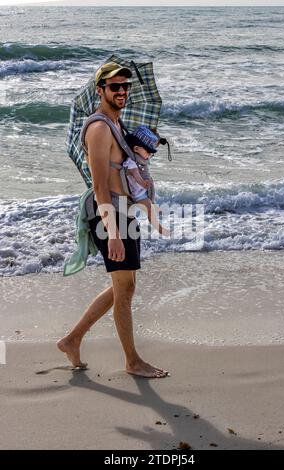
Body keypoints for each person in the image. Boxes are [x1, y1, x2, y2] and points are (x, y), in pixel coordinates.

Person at [57, 62, 169, 378]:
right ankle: (132, 361)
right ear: (100, 90)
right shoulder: (99, 129)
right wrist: (113, 231)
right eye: (114, 87)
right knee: (123, 287)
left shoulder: (117, 125)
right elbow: (99, 185)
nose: (121, 91)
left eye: (125, 86)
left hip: (123, 211)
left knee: (126, 285)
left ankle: (72, 339)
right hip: (109, 213)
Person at [123, 126, 170, 237]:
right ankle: (159, 228)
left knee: (150, 203)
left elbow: (149, 147)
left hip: (141, 191)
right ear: (136, 149)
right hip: (137, 194)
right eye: (148, 152)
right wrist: (142, 183)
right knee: (148, 206)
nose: (149, 155)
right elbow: (135, 174)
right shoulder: (131, 162)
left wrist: (158, 140)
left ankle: (152, 212)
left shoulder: (140, 158)